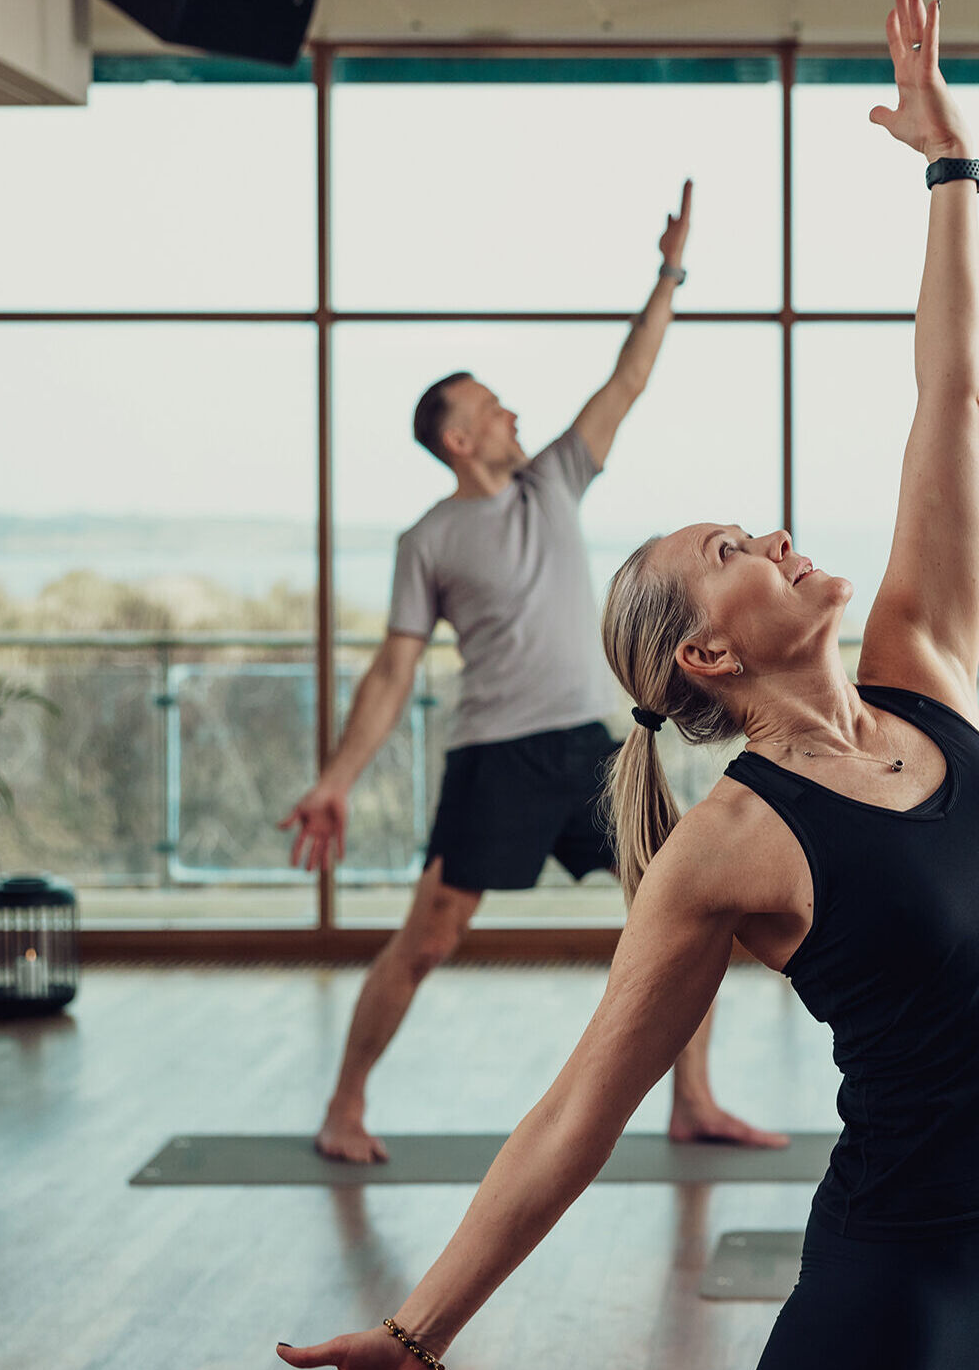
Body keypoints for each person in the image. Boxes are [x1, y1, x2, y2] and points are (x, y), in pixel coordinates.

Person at [275, 0, 979, 1370]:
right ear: (705, 655)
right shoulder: (727, 842)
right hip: (908, 1296)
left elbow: (951, 401)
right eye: (731, 547)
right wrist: (421, 1331)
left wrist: (950, 167)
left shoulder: (927, 680)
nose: (777, 534)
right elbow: (579, 1110)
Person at [276, 179, 781, 1165]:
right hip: (497, 757)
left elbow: (626, 380)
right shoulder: (429, 537)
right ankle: (343, 1104)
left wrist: (668, 273)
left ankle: (695, 1099)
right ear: (457, 439)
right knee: (427, 940)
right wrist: (336, 780)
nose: (512, 412)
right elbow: (390, 669)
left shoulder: (552, 479)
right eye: (491, 409)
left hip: (598, 744)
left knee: (687, 912)